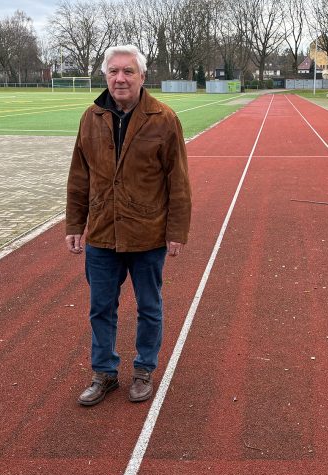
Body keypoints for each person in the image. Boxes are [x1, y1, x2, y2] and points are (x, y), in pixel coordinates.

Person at [65, 45, 191, 407]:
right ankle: (103, 373)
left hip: (147, 233)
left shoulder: (164, 119)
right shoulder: (91, 118)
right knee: (101, 308)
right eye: (113, 71)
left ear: (142, 76)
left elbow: (178, 181)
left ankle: (143, 370)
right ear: (105, 76)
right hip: (102, 234)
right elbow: (79, 176)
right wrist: (75, 223)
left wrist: (176, 231)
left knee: (149, 307)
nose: (120, 78)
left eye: (128, 71)